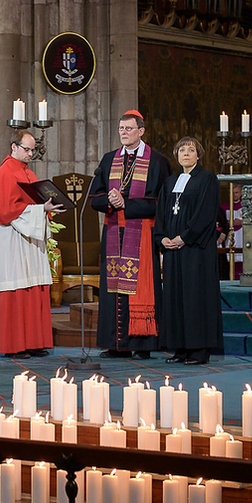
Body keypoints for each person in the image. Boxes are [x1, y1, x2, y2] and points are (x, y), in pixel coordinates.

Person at [89, 110, 171, 360]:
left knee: (137, 288)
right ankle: (116, 344)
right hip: (114, 231)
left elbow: (163, 203)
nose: (123, 133)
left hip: (142, 234)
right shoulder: (108, 159)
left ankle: (142, 344)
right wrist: (110, 201)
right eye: (121, 129)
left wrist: (127, 204)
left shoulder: (157, 161)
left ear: (141, 131)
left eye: (129, 129)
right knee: (113, 289)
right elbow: (94, 198)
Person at [0, 129, 62, 359]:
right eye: (26, 149)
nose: (30, 154)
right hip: (10, 239)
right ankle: (15, 344)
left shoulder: (27, 172)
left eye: (32, 150)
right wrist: (41, 210)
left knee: (33, 287)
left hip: (28, 237)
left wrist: (48, 206)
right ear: (14, 147)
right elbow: (7, 210)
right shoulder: (6, 172)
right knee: (16, 288)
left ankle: (35, 342)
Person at [155, 137, 223, 365]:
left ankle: (198, 350)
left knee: (195, 298)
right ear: (176, 155)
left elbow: (206, 214)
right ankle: (180, 348)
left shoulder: (207, 179)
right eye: (182, 149)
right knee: (175, 297)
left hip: (196, 251)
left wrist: (184, 237)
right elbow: (162, 212)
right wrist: (162, 237)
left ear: (198, 155)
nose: (186, 153)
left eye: (191, 150)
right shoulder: (170, 181)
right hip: (173, 250)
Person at [221, 183, 243, 277]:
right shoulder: (224, 207)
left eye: (237, 192)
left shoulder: (246, 205)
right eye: (233, 193)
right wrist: (229, 223)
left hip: (242, 234)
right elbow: (221, 222)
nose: (235, 195)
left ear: (241, 193)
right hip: (230, 234)